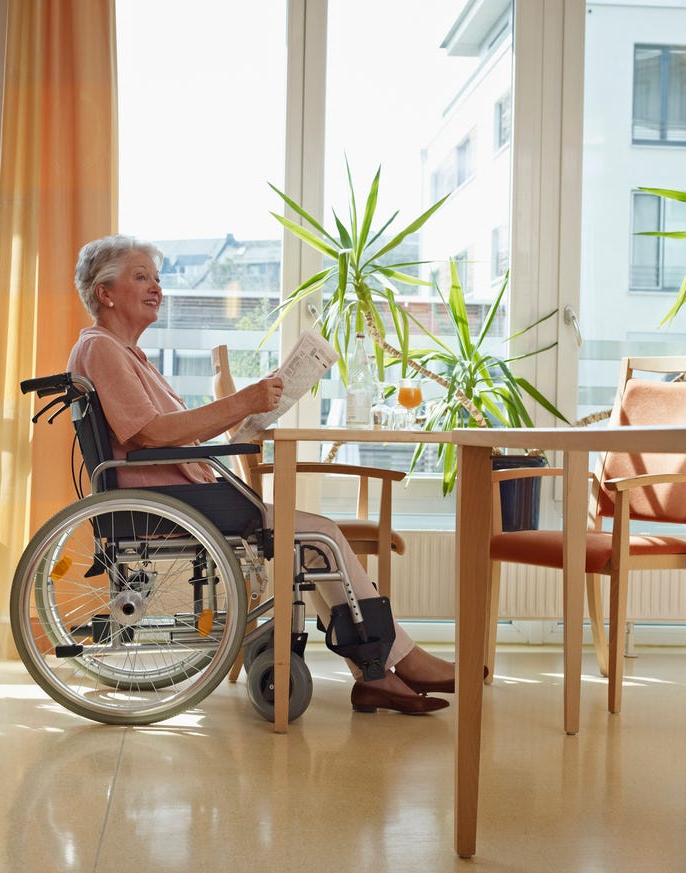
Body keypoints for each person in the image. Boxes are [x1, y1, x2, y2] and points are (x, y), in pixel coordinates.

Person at [69, 234, 455, 715]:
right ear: (104, 293)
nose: (156, 288)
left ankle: (375, 674)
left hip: (178, 493)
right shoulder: (102, 348)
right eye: (140, 277)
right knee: (321, 536)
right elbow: (150, 434)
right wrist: (243, 402)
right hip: (166, 500)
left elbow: (168, 432)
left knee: (315, 541)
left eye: (158, 278)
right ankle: (401, 661)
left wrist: (249, 412)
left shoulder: (126, 354)